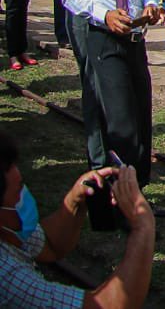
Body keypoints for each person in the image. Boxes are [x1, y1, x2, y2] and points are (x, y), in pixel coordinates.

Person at [59, 0, 163, 233]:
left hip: (135, 39)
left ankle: (134, 196)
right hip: (102, 37)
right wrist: (102, 13)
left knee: (141, 118)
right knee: (119, 124)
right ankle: (113, 207)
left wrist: (150, 5)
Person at [0, 132, 155, 309]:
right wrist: (143, 226)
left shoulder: (8, 229)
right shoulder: (5, 277)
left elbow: (49, 246)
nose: (24, 194)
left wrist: (74, 201)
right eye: (19, 191)